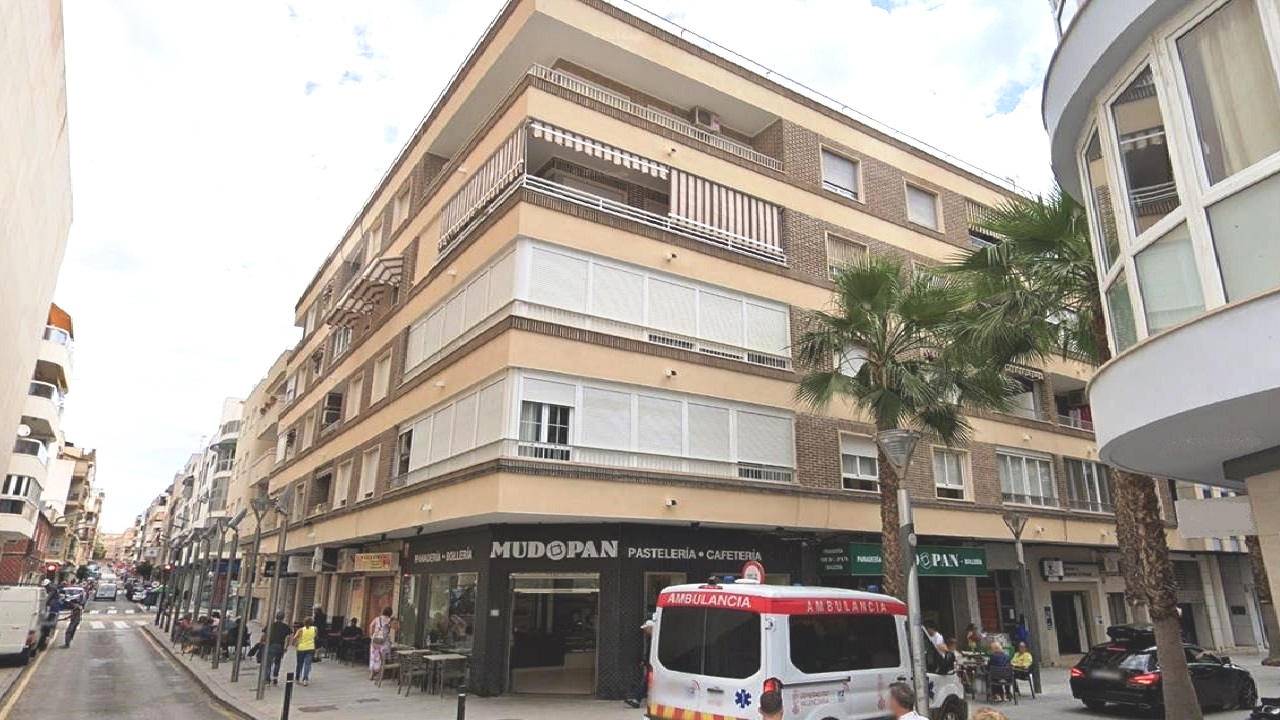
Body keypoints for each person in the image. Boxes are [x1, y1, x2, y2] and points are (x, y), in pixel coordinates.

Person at [624, 614, 655, 709]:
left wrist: (645, 661)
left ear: (650, 628)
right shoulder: (653, 638)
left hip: (653, 664)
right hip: (652, 663)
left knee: (645, 682)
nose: (645, 631)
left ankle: (637, 700)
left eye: (646, 628)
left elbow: (650, 652)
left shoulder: (654, 639)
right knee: (646, 682)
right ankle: (637, 699)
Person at [368, 607, 397, 680]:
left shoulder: (377, 618)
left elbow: (371, 625)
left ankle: (372, 673)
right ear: (390, 613)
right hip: (384, 641)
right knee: (382, 657)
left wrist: (371, 635)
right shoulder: (389, 620)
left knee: (374, 656)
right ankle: (380, 673)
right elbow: (396, 628)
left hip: (375, 640)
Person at [266, 611, 294, 686]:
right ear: (283, 618)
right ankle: (275, 678)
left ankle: (267, 679)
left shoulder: (271, 625)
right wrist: (286, 647)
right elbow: (289, 637)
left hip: (271, 645)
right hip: (280, 646)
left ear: (276, 617)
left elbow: (265, 634)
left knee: (269, 662)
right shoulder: (286, 627)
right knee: (277, 662)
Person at [292, 617, 318, 686]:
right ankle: (305, 679)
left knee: (299, 664)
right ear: (312, 623)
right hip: (310, 648)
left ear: (304, 623)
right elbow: (316, 637)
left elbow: (294, 638)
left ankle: (297, 678)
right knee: (307, 664)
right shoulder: (315, 629)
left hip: (301, 648)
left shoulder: (300, 630)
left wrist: (294, 643)